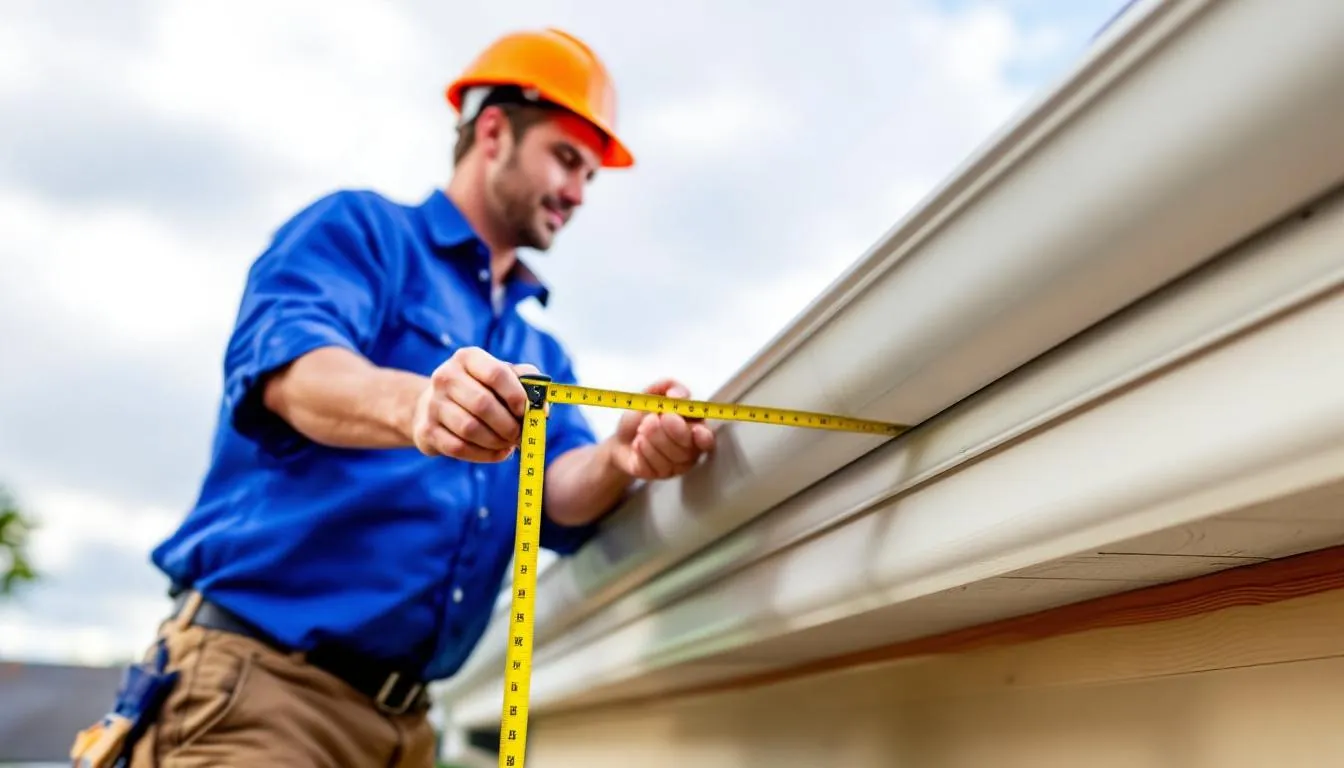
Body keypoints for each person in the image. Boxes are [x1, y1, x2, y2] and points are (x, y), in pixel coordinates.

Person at [84, 26, 716, 768]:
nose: (577, 193)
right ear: (492, 133)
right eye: (566, 158)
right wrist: (419, 405)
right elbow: (295, 373)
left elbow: (558, 490)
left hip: (408, 730)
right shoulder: (361, 233)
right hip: (257, 696)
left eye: (589, 177)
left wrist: (620, 454)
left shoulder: (541, 355)